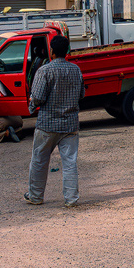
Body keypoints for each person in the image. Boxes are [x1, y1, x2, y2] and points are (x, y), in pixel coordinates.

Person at [24, 33, 84, 207]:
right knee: (70, 163)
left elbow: (38, 97)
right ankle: (71, 199)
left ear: (51, 51)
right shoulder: (76, 70)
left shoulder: (44, 70)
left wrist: (31, 104)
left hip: (47, 125)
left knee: (39, 161)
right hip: (70, 124)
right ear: (66, 51)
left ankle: (35, 196)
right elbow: (81, 94)